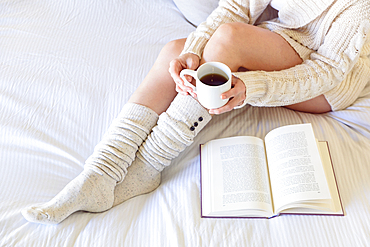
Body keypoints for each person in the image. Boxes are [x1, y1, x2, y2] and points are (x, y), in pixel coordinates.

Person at [22, 0, 370, 224]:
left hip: (326, 82)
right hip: (282, 42)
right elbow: (234, 7)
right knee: (174, 49)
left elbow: (325, 72)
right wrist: (191, 53)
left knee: (229, 40)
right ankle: (101, 171)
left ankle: (147, 166)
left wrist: (253, 86)